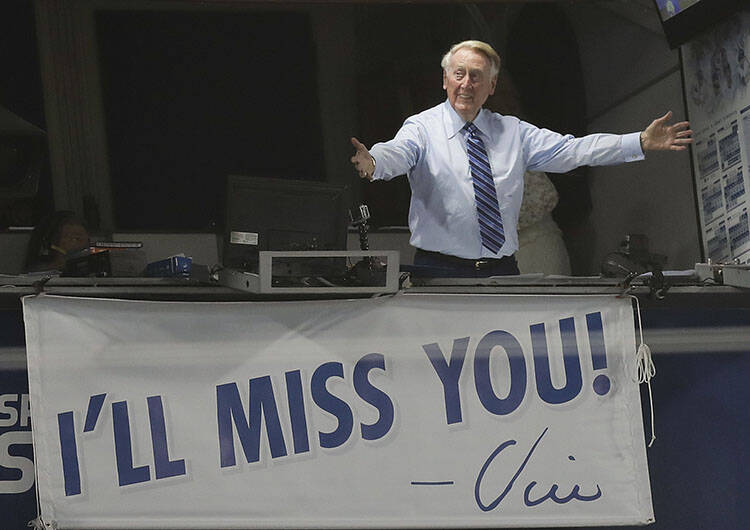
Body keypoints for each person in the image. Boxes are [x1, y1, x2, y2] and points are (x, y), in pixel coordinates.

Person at [350, 40, 692, 277]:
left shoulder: (512, 131)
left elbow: (573, 151)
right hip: (439, 270)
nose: (466, 83)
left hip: (503, 269)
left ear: (492, 86)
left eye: (477, 76)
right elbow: (398, 151)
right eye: (458, 74)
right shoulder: (423, 128)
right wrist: (375, 162)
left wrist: (640, 142)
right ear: (445, 80)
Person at [24, 210, 90, 272]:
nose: (82, 244)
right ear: (50, 243)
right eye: (73, 239)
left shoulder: (92, 274)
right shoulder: (37, 276)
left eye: (80, 239)